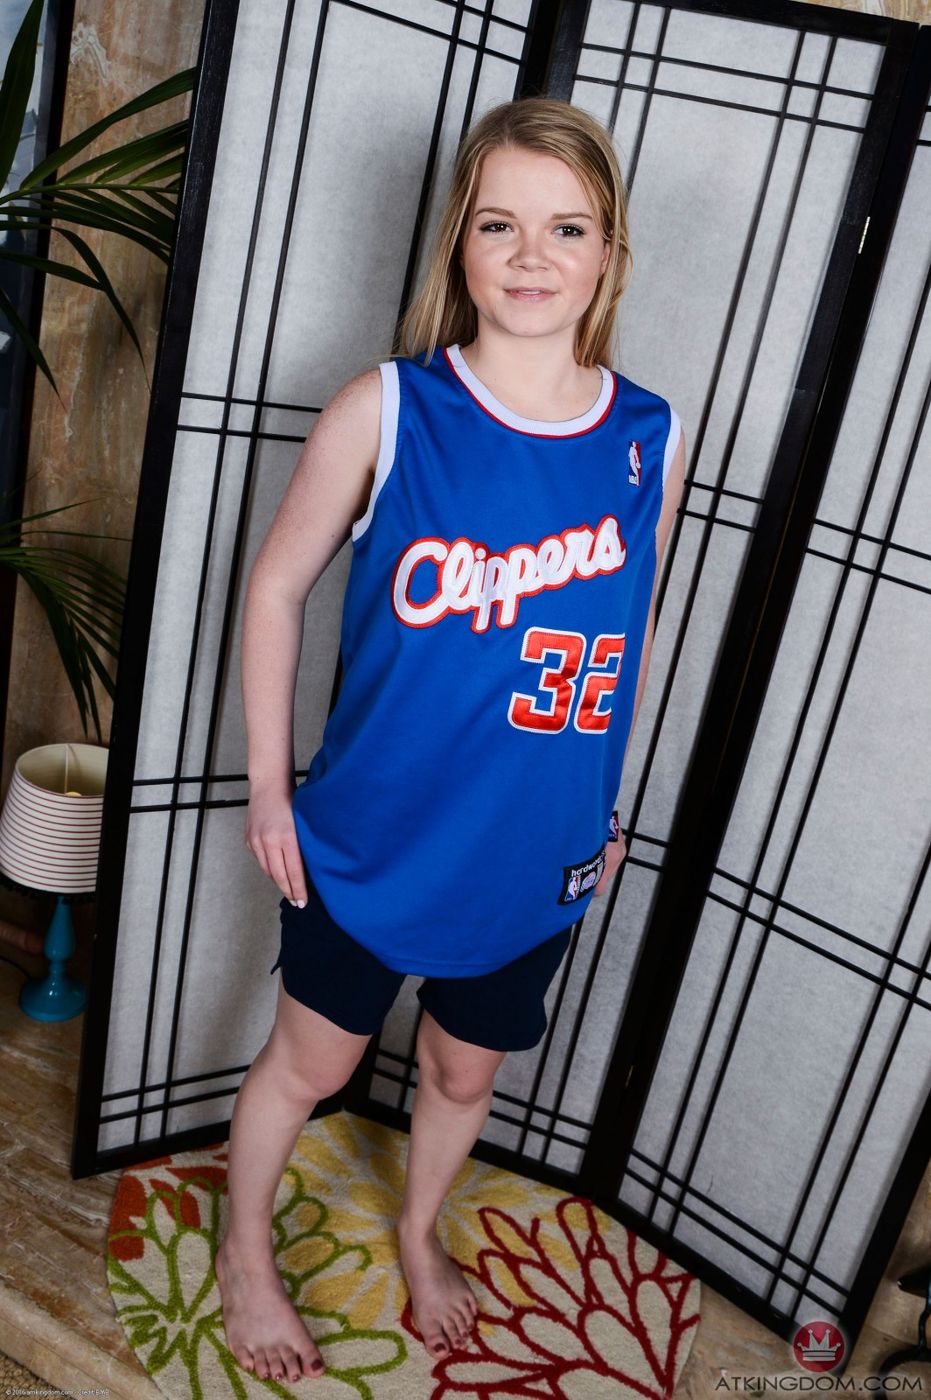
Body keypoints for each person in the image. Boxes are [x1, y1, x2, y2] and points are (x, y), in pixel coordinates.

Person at [215, 95, 686, 1387]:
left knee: (463, 1073)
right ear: (459, 246)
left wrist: (603, 803)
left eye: (567, 227)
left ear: (608, 252)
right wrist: (269, 791)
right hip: (374, 834)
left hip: (535, 847)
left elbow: (630, 631)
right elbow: (274, 590)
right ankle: (245, 1250)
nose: (533, 256)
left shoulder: (650, 435)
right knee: (312, 1062)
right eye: (499, 224)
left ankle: (419, 1234)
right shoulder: (389, 408)